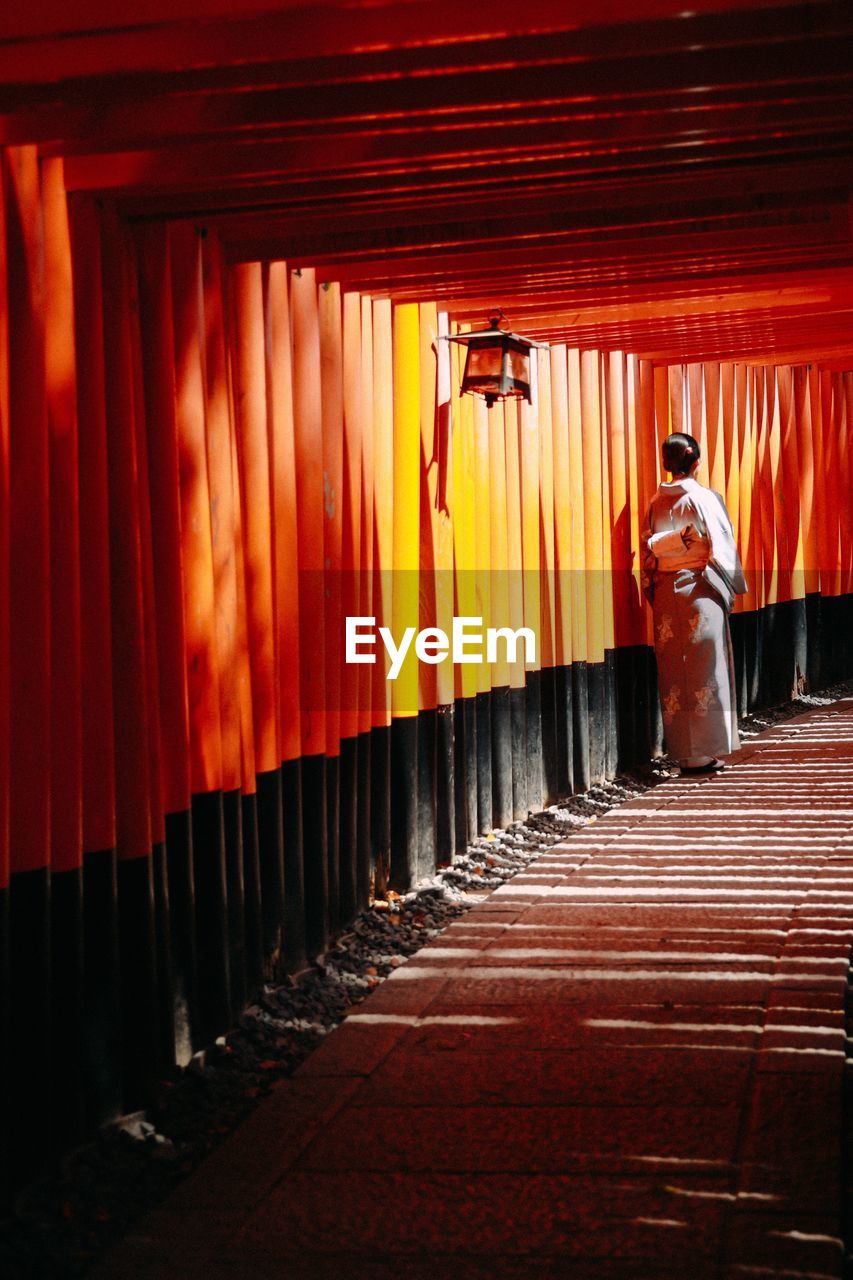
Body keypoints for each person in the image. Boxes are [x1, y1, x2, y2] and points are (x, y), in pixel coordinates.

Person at [641, 432, 747, 775]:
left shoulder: (656, 502)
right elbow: (721, 544)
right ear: (696, 462)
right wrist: (728, 587)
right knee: (704, 669)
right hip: (700, 590)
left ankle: (685, 753)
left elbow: (648, 551)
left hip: (666, 591)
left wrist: (655, 585)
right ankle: (702, 754)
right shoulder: (703, 498)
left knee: (674, 673)